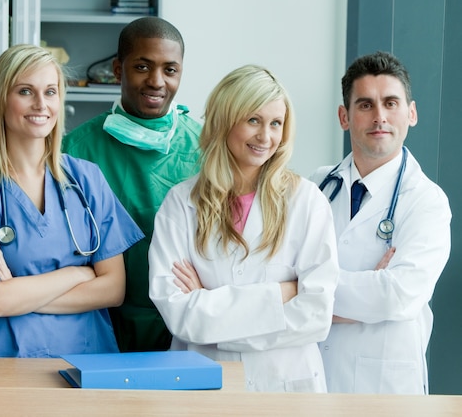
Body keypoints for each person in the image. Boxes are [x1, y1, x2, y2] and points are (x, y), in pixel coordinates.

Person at [0, 44, 144, 358]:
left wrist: (18, 288)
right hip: (0, 372)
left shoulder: (86, 180)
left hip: (84, 366)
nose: (41, 104)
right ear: (1, 100)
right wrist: (79, 274)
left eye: (50, 92)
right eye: (26, 91)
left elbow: (113, 290)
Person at [148, 65, 339, 392]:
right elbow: (178, 314)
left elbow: (316, 316)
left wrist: (210, 305)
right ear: (225, 120)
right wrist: (279, 295)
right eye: (253, 120)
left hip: (285, 387)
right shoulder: (181, 203)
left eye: (276, 124)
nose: (266, 137)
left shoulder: (306, 201)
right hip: (204, 383)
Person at [312, 51, 451, 394]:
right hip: (311, 374)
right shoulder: (314, 186)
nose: (380, 117)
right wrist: (368, 286)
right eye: (365, 105)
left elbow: (397, 296)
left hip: (384, 386)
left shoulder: (426, 201)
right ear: (344, 116)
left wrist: (305, 293)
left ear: (411, 113)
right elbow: (275, 272)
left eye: (391, 103)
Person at [62, 16, 201, 352]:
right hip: (98, 319)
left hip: (184, 319)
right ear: (117, 69)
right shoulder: (76, 149)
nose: (156, 81)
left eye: (170, 70)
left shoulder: (205, 146)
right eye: (142, 66)